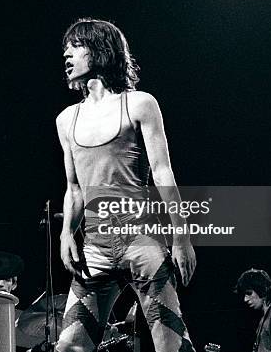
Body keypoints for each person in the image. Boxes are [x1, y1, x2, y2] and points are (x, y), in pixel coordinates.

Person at [55, 18, 196, 352]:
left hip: (142, 243)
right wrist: (65, 235)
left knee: (171, 346)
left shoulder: (139, 104)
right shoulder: (66, 120)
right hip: (95, 249)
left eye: (76, 46)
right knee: (69, 347)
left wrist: (181, 237)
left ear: (101, 50)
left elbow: (163, 173)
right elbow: (73, 189)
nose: (66, 54)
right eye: (66, 48)